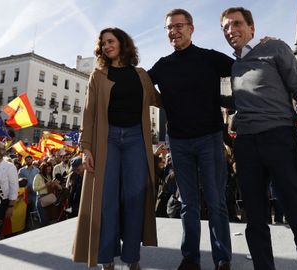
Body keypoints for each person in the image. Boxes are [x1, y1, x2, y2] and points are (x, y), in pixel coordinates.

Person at [220, 7, 297, 270]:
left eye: (236, 24)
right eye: (225, 27)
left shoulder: (275, 48)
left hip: (281, 140)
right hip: (246, 145)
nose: (231, 30)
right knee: (255, 223)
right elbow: (227, 103)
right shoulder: (232, 67)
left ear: (252, 28)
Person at [148, 9, 233, 270]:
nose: (173, 31)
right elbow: (139, 85)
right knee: (188, 204)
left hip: (209, 139)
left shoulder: (209, 58)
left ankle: (222, 259)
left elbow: (243, 67)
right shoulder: (163, 65)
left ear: (191, 28)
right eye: (169, 28)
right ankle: (190, 258)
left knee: (216, 201)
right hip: (179, 143)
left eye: (178, 26)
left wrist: (229, 103)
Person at [72, 27, 160, 270]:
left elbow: (162, 100)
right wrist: (85, 146)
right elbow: (88, 113)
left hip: (136, 140)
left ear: (122, 43)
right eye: (102, 43)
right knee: (106, 199)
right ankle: (106, 258)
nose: (106, 46)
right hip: (106, 139)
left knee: (134, 198)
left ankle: (132, 258)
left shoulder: (141, 75)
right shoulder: (98, 76)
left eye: (110, 41)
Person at [0, 141, 19, 235]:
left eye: (1, 149)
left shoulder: (10, 167)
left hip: (1, 204)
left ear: (4, 152)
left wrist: (10, 207)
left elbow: (14, 188)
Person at [32, 162, 58, 226]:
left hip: (48, 197)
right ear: (44, 169)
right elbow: (34, 188)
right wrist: (45, 185)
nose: (49, 171)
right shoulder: (38, 176)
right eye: (48, 169)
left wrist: (53, 184)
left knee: (50, 218)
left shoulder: (49, 175)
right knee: (44, 220)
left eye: (50, 169)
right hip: (41, 198)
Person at [18, 155, 39, 227]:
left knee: (35, 207)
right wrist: (25, 188)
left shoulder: (37, 170)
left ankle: (35, 222)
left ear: (32, 160)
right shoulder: (21, 170)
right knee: (25, 208)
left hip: (34, 191)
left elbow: (38, 180)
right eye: (26, 160)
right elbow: (19, 181)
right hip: (25, 192)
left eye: (29, 160)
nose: (28, 161)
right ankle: (26, 223)